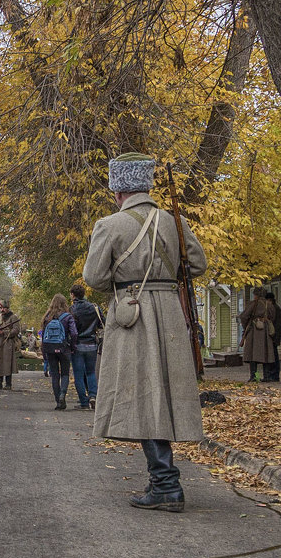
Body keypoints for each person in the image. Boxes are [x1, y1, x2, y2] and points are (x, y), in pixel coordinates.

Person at [82, 152, 207, 512]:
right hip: (169, 313)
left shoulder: (109, 225)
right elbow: (197, 264)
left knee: (141, 396)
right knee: (163, 394)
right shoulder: (173, 221)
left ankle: (166, 484)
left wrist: (125, 284)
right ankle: (164, 480)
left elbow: (94, 277)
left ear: (118, 190)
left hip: (131, 313)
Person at [69, 283, 104, 410]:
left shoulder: (72, 309)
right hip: (92, 344)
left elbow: (71, 329)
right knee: (91, 372)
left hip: (78, 345)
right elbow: (102, 323)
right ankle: (93, 396)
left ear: (73, 295)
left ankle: (84, 402)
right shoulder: (94, 307)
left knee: (78, 374)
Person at [40, 294, 78, 410]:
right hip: (63, 348)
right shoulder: (68, 316)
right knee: (65, 373)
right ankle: (62, 395)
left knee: (55, 374)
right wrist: (72, 346)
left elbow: (43, 335)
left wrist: (44, 350)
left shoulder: (47, 317)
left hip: (50, 349)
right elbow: (74, 333)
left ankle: (58, 401)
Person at [239, 287, 276, 383]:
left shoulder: (253, 304)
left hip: (254, 331)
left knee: (253, 355)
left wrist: (246, 326)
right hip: (266, 331)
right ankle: (266, 376)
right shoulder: (269, 305)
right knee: (266, 354)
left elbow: (244, 316)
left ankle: (254, 376)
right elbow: (273, 316)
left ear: (256, 294)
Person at [0, 300, 21, 389]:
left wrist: (3, 332)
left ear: (7, 308)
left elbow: (16, 330)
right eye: (0, 308)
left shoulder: (13, 317)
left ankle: (8, 384)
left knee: (7, 363)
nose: (2, 310)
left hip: (7, 343)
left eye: (3, 308)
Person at [264, 291, 281, 382]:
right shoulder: (276, 307)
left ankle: (274, 375)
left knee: (273, 356)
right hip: (274, 335)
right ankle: (273, 375)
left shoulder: (274, 309)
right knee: (273, 355)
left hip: (273, 335)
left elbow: (276, 324)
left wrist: (274, 336)